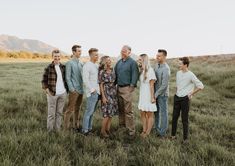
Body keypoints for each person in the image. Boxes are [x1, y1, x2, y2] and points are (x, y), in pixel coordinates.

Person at [171, 57, 204, 142]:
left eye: (180, 64)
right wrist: (176, 92)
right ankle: (173, 136)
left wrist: (191, 93)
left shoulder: (191, 74)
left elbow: (201, 86)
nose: (179, 65)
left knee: (184, 119)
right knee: (174, 117)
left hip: (185, 99)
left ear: (185, 65)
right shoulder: (178, 73)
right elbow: (179, 85)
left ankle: (185, 139)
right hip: (177, 97)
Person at [115, 45, 139, 137]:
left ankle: (131, 130)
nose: (122, 52)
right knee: (120, 109)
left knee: (128, 111)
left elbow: (135, 75)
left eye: (124, 51)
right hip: (118, 88)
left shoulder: (132, 63)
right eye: (122, 51)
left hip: (127, 89)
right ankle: (122, 127)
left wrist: (131, 87)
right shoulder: (119, 63)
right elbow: (115, 74)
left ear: (129, 52)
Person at [41, 49, 67, 132]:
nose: (57, 58)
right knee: (51, 114)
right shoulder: (48, 68)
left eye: (58, 56)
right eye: (55, 56)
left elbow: (66, 79)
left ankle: (57, 130)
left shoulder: (63, 67)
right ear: (52, 57)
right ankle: (50, 131)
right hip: (52, 94)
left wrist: (66, 91)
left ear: (60, 57)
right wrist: (48, 91)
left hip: (62, 94)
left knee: (59, 113)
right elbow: (43, 81)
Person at [64, 45, 83, 132]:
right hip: (74, 90)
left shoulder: (81, 63)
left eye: (80, 51)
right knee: (70, 110)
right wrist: (72, 89)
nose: (80, 52)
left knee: (78, 109)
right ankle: (66, 128)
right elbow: (67, 77)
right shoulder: (69, 63)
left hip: (81, 90)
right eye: (78, 51)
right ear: (74, 52)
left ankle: (76, 126)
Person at [137, 54, 157, 138]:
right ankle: (144, 130)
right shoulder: (142, 70)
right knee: (142, 112)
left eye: (140, 60)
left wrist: (152, 97)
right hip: (142, 94)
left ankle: (147, 132)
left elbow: (152, 85)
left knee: (149, 114)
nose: (139, 61)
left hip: (149, 94)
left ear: (144, 60)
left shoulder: (150, 70)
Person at [98, 56, 118, 138]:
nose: (109, 62)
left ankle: (107, 130)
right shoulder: (102, 72)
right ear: (104, 62)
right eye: (107, 60)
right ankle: (102, 131)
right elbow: (101, 85)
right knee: (106, 113)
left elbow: (115, 82)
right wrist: (103, 97)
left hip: (113, 92)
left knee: (111, 113)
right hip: (106, 93)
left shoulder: (113, 70)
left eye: (110, 60)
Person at [82, 48, 100, 135]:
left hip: (97, 92)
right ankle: (85, 130)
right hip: (92, 93)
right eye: (95, 55)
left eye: (97, 54)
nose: (97, 56)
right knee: (88, 112)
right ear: (91, 55)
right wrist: (92, 90)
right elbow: (85, 80)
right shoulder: (87, 66)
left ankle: (89, 128)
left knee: (92, 112)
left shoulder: (96, 65)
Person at [154, 49, 171, 138]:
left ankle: (162, 133)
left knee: (163, 113)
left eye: (159, 56)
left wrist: (156, 95)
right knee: (156, 112)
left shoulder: (166, 69)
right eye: (157, 55)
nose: (157, 57)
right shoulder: (156, 65)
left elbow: (164, 85)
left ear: (164, 57)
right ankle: (156, 129)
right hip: (155, 93)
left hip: (162, 95)